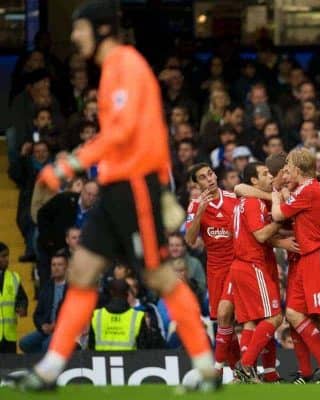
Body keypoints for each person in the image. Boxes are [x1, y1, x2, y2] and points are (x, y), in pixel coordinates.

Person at [8, 1, 217, 392]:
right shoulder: (112, 69)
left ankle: (206, 369)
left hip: (136, 188)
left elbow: (121, 134)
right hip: (115, 189)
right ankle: (50, 369)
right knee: (82, 272)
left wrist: (69, 162)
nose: (73, 37)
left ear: (100, 30)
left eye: (80, 29)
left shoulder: (125, 66)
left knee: (161, 278)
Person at [271, 148, 320, 383]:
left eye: (288, 167)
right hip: (307, 258)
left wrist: (276, 196)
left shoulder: (309, 190)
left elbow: (278, 215)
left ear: (297, 169)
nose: (286, 171)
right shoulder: (309, 190)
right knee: (294, 313)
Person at [230, 162, 285, 383]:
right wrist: (280, 221)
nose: (270, 176)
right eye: (265, 174)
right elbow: (261, 235)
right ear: (253, 181)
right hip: (252, 265)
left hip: (240, 267)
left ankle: (246, 374)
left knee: (251, 322)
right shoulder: (253, 203)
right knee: (274, 317)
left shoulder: (244, 201)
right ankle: (244, 368)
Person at [184, 163, 239, 376]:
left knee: (227, 316)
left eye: (210, 174)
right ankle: (238, 371)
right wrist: (200, 213)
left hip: (237, 265)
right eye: (203, 177)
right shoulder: (195, 206)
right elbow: (189, 240)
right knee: (224, 323)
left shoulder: (234, 199)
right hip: (216, 270)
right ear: (197, 184)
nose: (210, 179)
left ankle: (218, 369)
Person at [19, 251, 68, 354]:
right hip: (47, 329)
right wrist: (42, 325)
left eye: (60, 265)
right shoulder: (46, 287)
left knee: (46, 345)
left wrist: (56, 325)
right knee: (24, 343)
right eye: (53, 265)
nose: (56, 268)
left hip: (66, 330)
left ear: (66, 267)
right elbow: (37, 314)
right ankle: (44, 362)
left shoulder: (73, 288)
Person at [88, 279, 148, 351]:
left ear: (111, 292)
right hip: (130, 361)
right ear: (127, 293)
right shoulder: (138, 316)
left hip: (102, 361)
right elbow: (144, 349)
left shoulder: (96, 315)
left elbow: (91, 347)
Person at [0, 243, 28, 353]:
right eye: (3, 256)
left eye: (7, 256)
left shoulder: (14, 277)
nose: (7, 259)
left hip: (9, 337)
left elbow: (22, 298)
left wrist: (22, 307)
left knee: (9, 369)